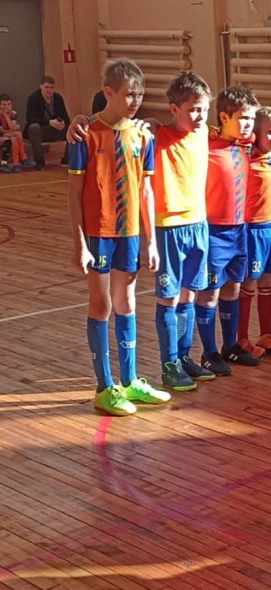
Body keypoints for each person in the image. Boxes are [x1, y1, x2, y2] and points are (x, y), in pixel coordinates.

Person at [67, 60, 171, 415]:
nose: (135, 101)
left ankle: (129, 380)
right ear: (108, 93)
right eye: (129, 94)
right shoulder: (85, 135)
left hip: (129, 233)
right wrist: (80, 243)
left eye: (140, 95)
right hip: (98, 233)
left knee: (127, 303)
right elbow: (74, 193)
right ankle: (104, 387)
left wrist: (151, 241)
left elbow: (146, 191)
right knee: (101, 305)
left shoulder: (143, 137)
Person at [152, 72, 214, 391]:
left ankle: (184, 356)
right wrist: (82, 119)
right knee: (169, 296)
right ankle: (169, 363)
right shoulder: (156, 134)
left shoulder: (205, 133)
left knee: (190, 293)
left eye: (204, 109)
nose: (200, 116)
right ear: (174, 109)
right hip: (169, 227)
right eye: (193, 110)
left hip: (198, 223)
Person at [193, 85, 261, 374]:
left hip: (240, 230)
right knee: (210, 293)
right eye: (242, 118)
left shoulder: (247, 143)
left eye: (251, 119)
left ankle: (230, 346)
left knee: (233, 288)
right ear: (223, 117)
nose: (248, 124)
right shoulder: (205, 144)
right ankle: (208, 353)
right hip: (214, 232)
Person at [238, 107, 271, 357]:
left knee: (268, 281)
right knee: (249, 282)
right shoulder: (247, 155)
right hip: (253, 230)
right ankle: (242, 338)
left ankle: (267, 333)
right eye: (270, 132)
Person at [25, 75, 70, 170]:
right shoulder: (33, 98)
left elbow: (66, 117)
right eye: (47, 87)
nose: (49, 90)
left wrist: (63, 123)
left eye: (52, 88)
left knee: (74, 128)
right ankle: (40, 161)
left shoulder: (58, 98)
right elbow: (30, 119)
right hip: (41, 130)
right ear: (41, 86)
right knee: (34, 127)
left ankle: (67, 158)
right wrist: (49, 122)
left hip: (56, 129)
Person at [0, 94, 28, 171]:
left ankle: (16, 164)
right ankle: (23, 158)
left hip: (8, 135)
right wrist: (5, 114)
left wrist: (13, 128)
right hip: (1, 135)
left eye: (9, 104)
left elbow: (12, 127)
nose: (7, 106)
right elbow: (2, 131)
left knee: (14, 138)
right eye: (4, 104)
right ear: (0, 106)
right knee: (17, 133)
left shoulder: (13, 114)